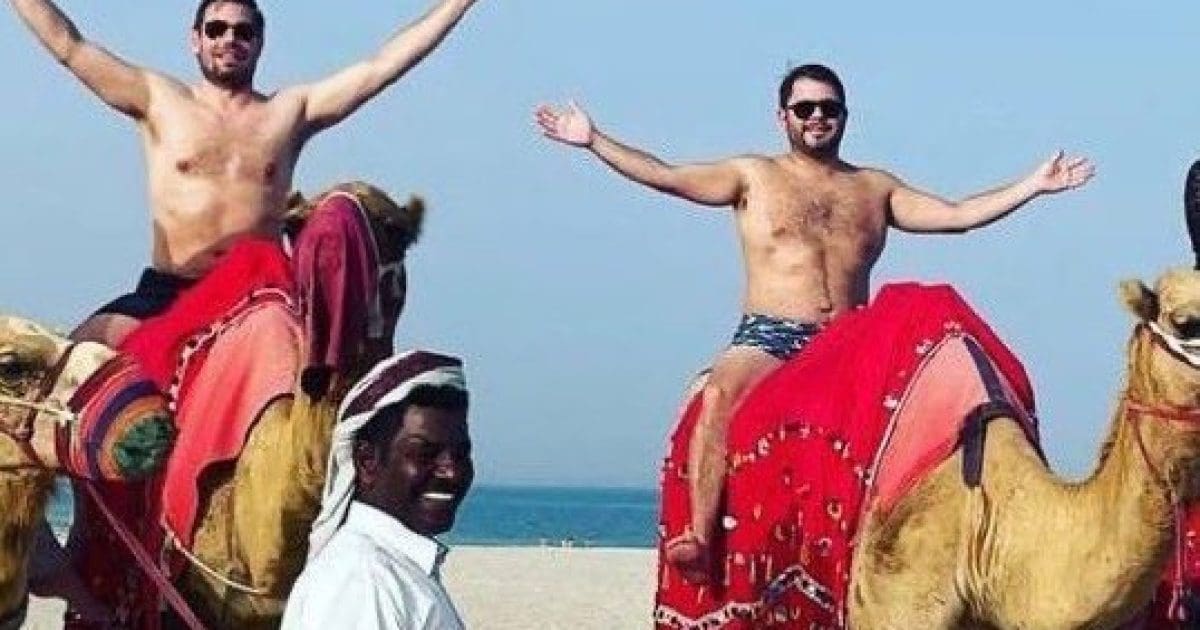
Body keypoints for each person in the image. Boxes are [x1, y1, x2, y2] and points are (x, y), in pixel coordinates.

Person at [536, 63, 1095, 583]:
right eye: (804, 109)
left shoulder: (875, 188)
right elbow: (665, 175)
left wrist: (1032, 185)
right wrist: (594, 141)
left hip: (852, 340)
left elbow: (957, 216)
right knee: (721, 396)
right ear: (783, 117)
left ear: (845, 116)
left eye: (829, 108)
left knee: (952, 395)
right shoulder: (751, 176)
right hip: (771, 334)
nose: (817, 118)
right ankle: (700, 535)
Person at [8, 0, 481, 346]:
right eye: (216, 29)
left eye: (242, 31)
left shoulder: (290, 110)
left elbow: (381, 67)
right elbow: (69, 45)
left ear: (259, 43)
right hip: (167, 290)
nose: (228, 40)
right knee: (62, 372)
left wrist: (459, 3)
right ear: (196, 40)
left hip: (259, 295)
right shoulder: (158, 98)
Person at [282, 349, 474, 629]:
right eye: (424, 454)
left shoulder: (391, 570)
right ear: (367, 461)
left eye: (461, 454)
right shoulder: (363, 580)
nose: (452, 472)